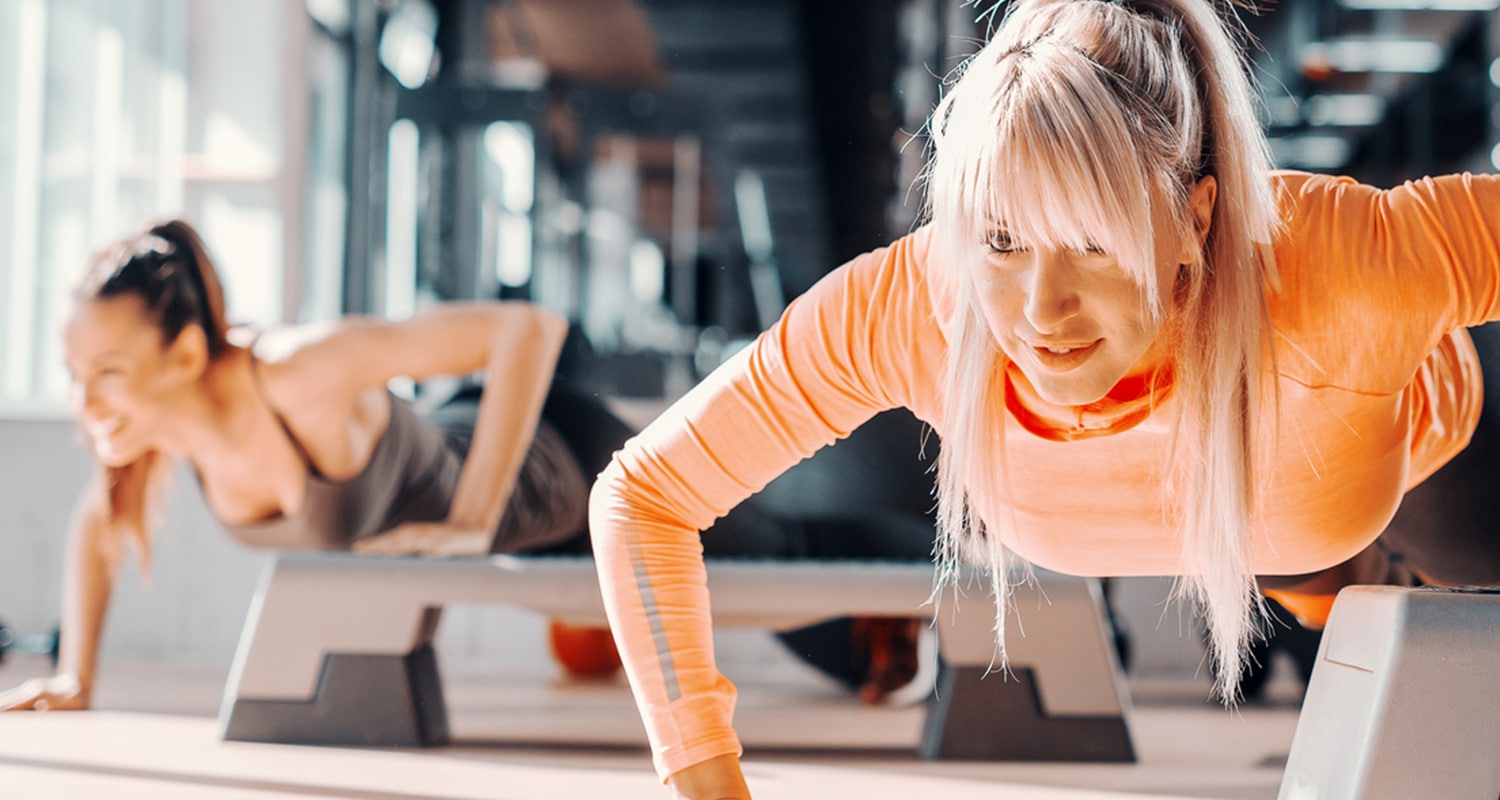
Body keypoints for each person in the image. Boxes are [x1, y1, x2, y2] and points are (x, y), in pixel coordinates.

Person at [587, 0, 1500, 796]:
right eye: (1003, 240)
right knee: (1334, 600)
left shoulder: (1343, 261)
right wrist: (705, 776)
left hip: (1428, 457)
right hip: (1286, 528)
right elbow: (642, 497)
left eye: (1092, 244)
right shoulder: (915, 305)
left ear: (1197, 220)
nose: (1040, 310)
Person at [0, 219, 631, 712]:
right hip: (460, 441)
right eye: (74, 374)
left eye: (107, 373)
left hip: (573, 462)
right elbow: (101, 517)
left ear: (187, 354)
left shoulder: (295, 372)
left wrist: (471, 519)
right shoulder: (162, 422)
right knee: (586, 650)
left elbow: (527, 328)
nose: (82, 402)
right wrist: (74, 678)